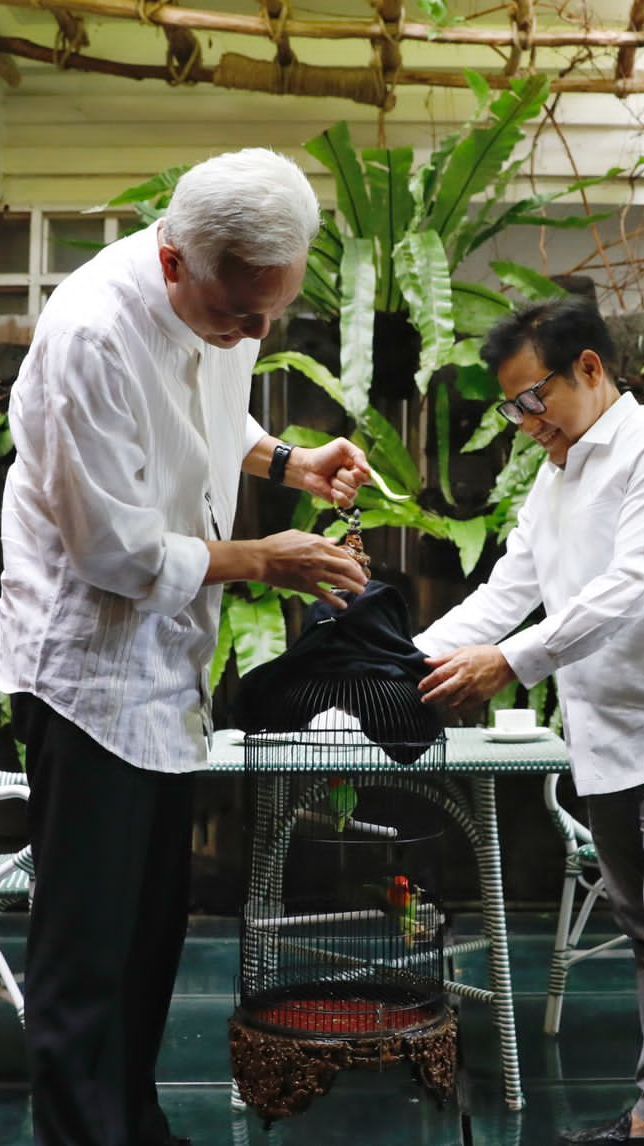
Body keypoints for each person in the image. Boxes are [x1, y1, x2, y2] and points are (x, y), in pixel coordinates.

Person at [0, 149, 370, 1146]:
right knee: (85, 958)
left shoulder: (223, 292)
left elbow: (205, 415)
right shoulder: (91, 335)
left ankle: (136, 1127)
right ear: (174, 264)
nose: (253, 334)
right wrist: (263, 558)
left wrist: (286, 460)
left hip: (164, 672)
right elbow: (113, 551)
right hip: (85, 673)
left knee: (148, 939)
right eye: (240, 316)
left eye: (269, 316)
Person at [414, 296, 644, 1145]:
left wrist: (512, 662)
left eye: (531, 398)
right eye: (511, 406)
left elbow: (629, 588)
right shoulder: (556, 477)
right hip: (609, 743)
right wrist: (401, 663)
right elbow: (509, 593)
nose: (522, 422)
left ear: (590, 368)